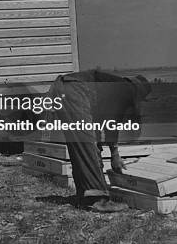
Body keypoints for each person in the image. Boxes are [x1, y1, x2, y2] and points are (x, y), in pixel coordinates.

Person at [48, 69, 151, 212]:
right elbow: (112, 124)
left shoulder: (113, 86)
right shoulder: (124, 90)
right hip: (75, 89)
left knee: (79, 144)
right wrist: (114, 154)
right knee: (86, 145)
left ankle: (84, 195)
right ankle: (98, 200)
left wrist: (100, 148)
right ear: (137, 93)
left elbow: (99, 122)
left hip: (64, 88)